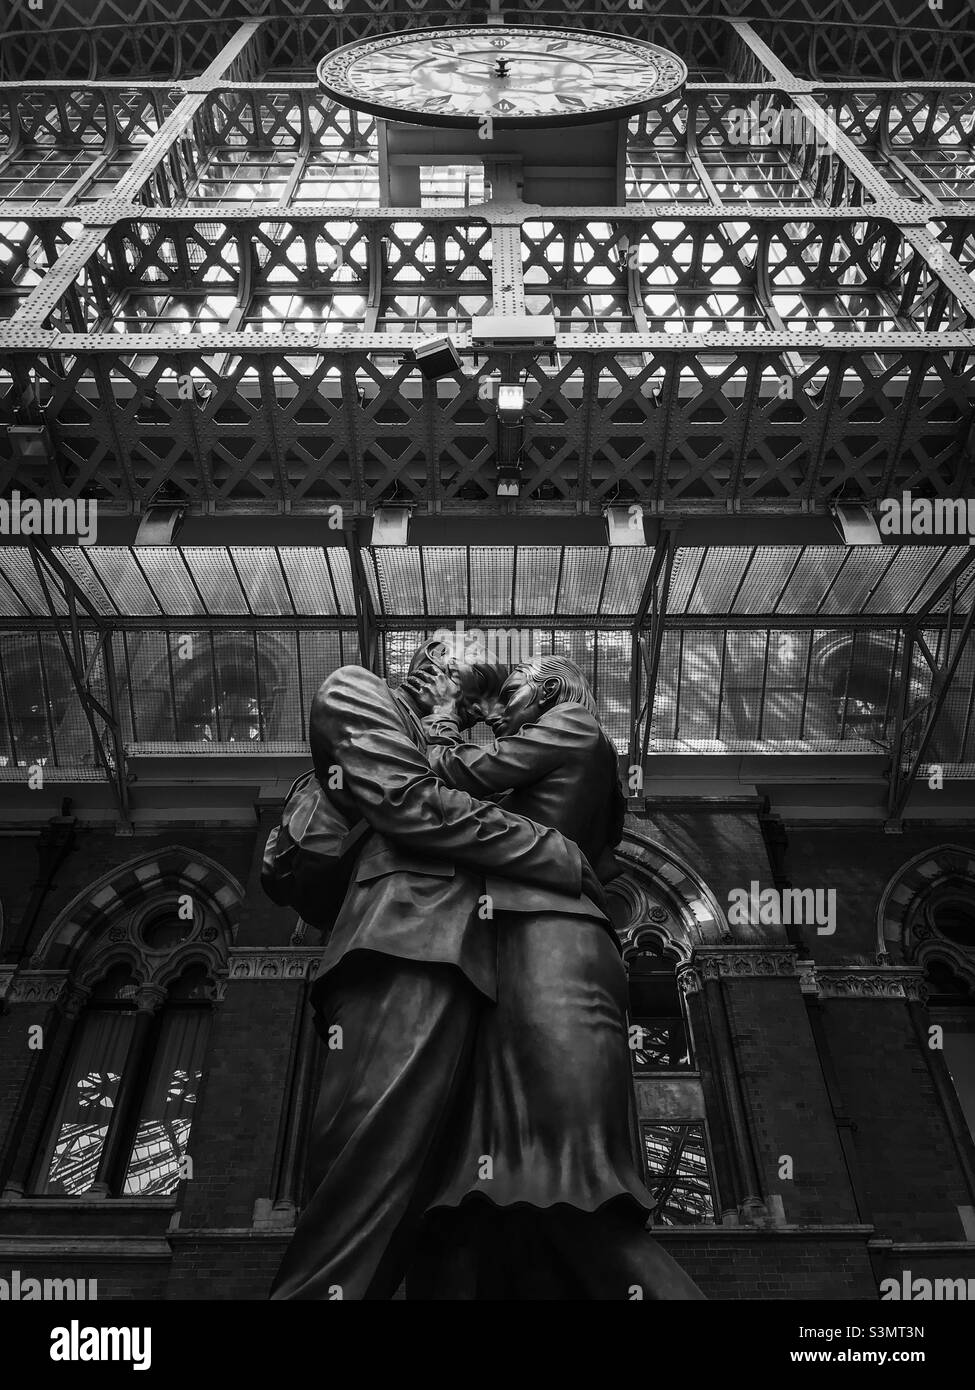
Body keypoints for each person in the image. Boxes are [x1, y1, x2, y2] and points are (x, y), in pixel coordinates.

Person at [267, 639, 607, 1300]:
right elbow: (411, 803)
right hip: (402, 945)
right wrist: (553, 852)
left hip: (478, 970)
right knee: (363, 1179)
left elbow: (453, 792)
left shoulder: (462, 746)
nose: (475, 700)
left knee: (449, 1213)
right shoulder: (355, 691)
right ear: (425, 667)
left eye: (478, 690)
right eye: (462, 674)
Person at [402, 655, 705, 1300]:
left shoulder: (573, 725)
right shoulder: (559, 765)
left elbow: (451, 777)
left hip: (552, 948)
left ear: (550, 685)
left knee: (569, 1192)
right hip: (520, 950)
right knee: (483, 1206)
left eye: (510, 692)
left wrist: (444, 717)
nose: (498, 708)